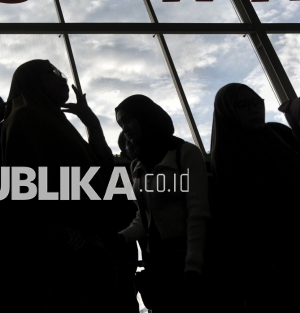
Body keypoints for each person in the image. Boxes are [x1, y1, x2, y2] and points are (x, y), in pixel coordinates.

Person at [0, 59, 115, 311]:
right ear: (32, 81)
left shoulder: (47, 119)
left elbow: (102, 173)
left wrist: (92, 124)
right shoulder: (27, 118)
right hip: (66, 252)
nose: (62, 78)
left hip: (79, 246)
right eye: (52, 72)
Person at [210, 83, 300, 312]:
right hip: (272, 259)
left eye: (257, 102)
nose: (253, 109)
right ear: (228, 111)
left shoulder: (279, 134)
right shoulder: (228, 158)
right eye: (242, 105)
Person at [116, 95, 210, 313]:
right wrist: (122, 237)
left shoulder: (185, 153)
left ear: (145, 117)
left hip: (185, 258)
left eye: (128, 120)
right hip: (158, 262)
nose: (125, 128)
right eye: (121, 124)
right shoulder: (137, 165)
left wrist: (193, 266)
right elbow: (145, 216)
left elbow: (197, 213)